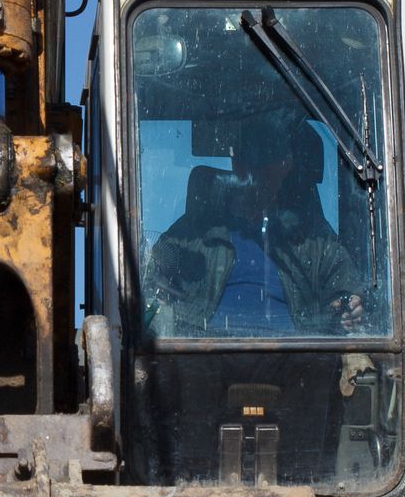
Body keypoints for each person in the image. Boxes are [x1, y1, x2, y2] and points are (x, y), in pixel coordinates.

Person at [144, 113, 365, 336]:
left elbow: (348, 287)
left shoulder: (314, 239)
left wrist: (350, 304)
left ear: (285, 165)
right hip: (205, 357)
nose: (256, 173)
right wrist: (154, 280)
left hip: (298, 357)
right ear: (236, 163)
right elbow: (153, 267)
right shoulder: (196, 232)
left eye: (267, 163)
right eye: (249, 162)